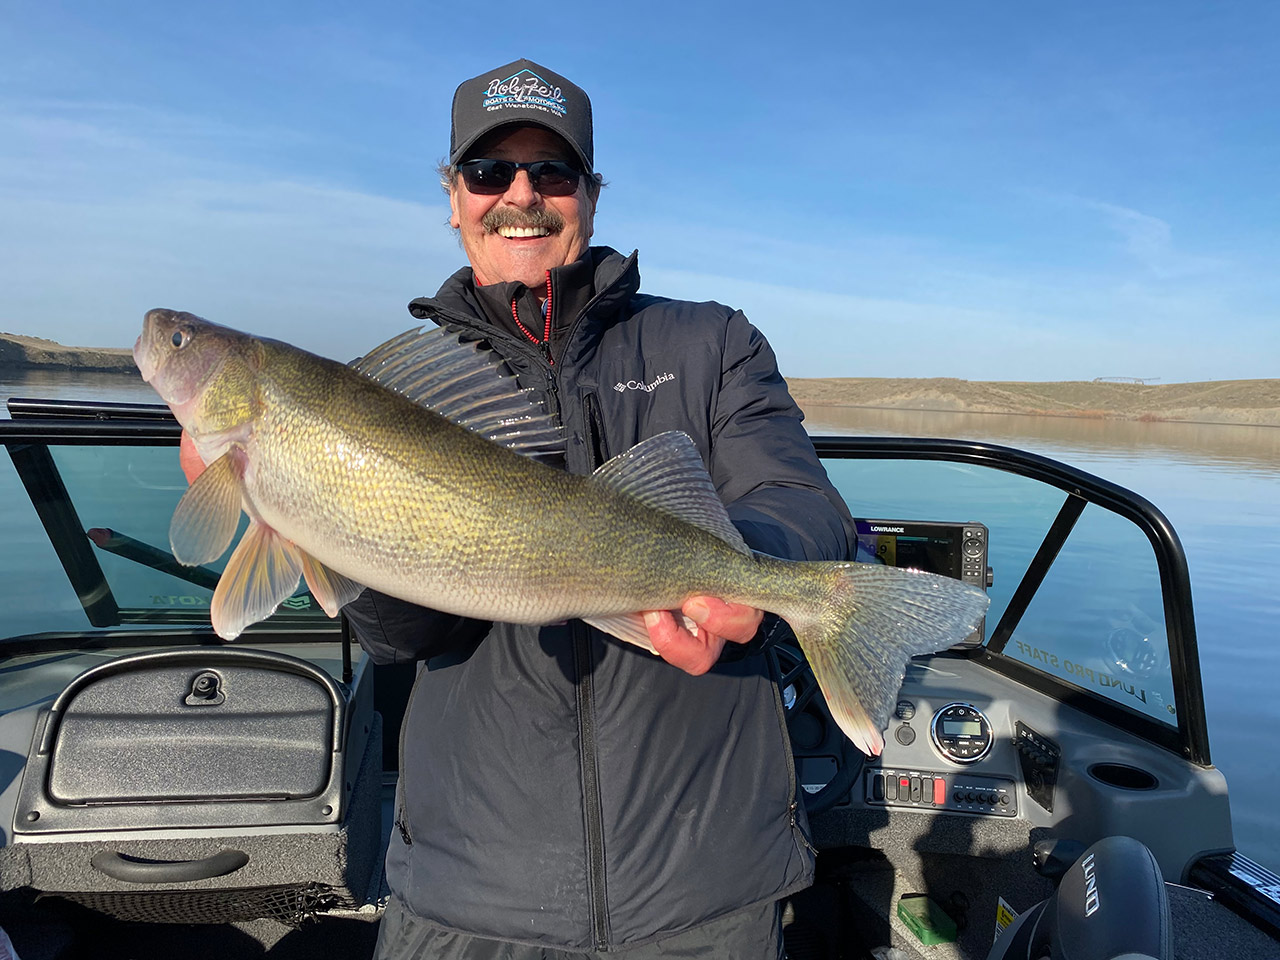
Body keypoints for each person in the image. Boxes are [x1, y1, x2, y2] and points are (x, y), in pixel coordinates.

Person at [343, 58, 855, 959]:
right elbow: (396, 636)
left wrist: (741, 570)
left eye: (554, 172)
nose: (521, 196)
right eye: (489, 173)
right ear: (454, 196)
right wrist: (312, 520)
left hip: (707, 889)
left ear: (590, 193)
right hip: (468, 899)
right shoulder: (398, 393)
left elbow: (799, 499)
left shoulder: (712, 340)